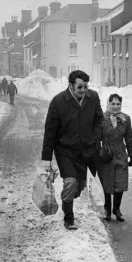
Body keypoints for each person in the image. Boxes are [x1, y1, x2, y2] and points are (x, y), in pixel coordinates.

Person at [41, 70, 103, 230]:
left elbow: (98, 119)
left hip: (86, 150)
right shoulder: (58, 102)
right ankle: (69, 217)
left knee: (79, 186)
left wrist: (94, 137)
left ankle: (69, 198)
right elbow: (50, 131)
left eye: (86, 86)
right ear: (71, 85)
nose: (84, 90)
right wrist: (46, 158)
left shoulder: (93, 97)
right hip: (65, 149)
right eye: (80, 87)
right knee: (70, 181)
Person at [98, 94, 132, 222]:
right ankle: (107, 209)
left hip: (120, 155)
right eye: (112, 104)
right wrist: (98, 152)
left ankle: (117, 209)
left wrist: (131, 155)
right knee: (107, 184)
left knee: (120, 183)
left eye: (118, 104)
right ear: (108, 104)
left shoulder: (125, 119)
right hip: (106, 156)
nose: (115, 106)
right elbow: (97, 137)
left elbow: (129, 137)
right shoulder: (101, 118)